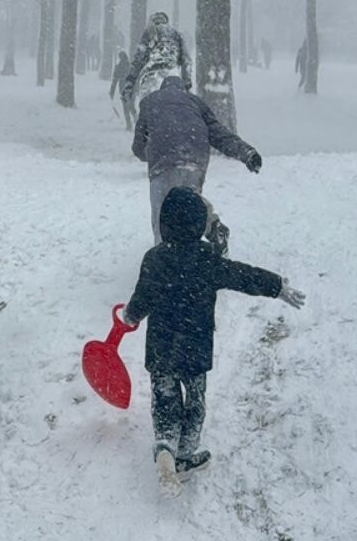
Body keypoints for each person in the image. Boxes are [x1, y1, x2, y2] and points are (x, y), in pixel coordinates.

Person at [119, 187, 305, 497]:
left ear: (164, 224)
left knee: (165, 399)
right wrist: (276, 285)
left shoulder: (154, 258)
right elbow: (243, 276)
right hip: (194, 349)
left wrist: (130, 315)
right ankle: (185, 457)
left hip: (162, 349)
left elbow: (142, 299)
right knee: (194, 404)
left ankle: (165, 445)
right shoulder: (208, 260)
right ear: (200, 224)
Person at [132, 76, 261, 250]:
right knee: (191, 203)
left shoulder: (150, 101)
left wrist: (148, 154)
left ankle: (164, 255)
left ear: (163, 87)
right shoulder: (196, 102)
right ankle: (212, 228)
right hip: (195, 159)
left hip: (164, 162)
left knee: (161, 211)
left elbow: (138, 146)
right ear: (183, 89)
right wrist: (246, 152)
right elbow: (218, 133)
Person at [121, 11, 192, 118]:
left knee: (148, 117)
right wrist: (187, 84)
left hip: (151, 79)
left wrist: (129, 85)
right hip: (173, 78)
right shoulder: (176, 35)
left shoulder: (148, 33)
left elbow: (138, 61)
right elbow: (186, 61)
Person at [109, 50, 133, 131]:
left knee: (126, 107)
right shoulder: (131, 66)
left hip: (123, 88)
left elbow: (115, 80)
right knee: (131, 105)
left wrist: (112, 91)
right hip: (131, 88)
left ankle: (129, 124)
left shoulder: (118, 67)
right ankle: (136, 119)